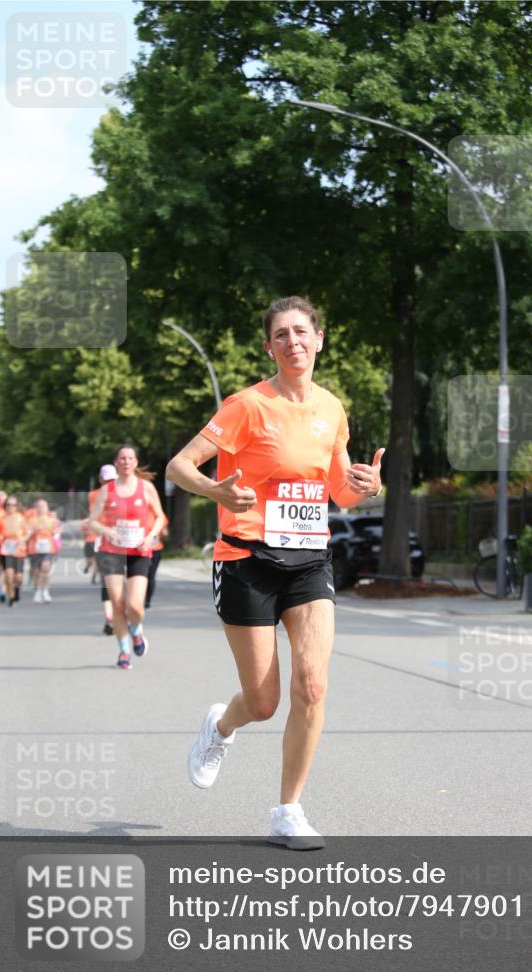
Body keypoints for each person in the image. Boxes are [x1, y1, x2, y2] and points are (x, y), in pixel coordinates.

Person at [166, 295, 384, 850]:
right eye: (281, 334)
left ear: (319, 340)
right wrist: (216, 489)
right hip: (246, 561)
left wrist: (366, 488)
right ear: (270, 346)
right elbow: (179, 466)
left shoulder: (332, 409)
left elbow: (337, 490)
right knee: (263, 702)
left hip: (309, 561)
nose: (293, 341)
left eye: (301, 332)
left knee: (312, 685)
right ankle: (221, 727)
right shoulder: (246, 406)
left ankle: (288, 810)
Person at [88, 445, 165, 669]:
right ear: (116, 462)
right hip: (111, 551)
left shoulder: (147, 488)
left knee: (135, 607)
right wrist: (106, 531)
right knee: (118, 604)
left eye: (130, 458)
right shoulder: (107, 490)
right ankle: (124, 651)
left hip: (139, 551)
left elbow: (160, 517)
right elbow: (92, 521)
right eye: (122, 458)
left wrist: (152, 535)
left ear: (136, 462)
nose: (126, 462)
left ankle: (136, 630)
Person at [83, 464, 118, 633]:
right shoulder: (121, 491)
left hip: (111, 540)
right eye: (109, 479)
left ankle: (111, 616)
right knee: (110, 581)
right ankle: (111, 617)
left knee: (109, 581)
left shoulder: (94, 494)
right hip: (108, 540)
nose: (109, 483)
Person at [27, 498, 62, 603]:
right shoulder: (31, 521)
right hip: (35, 549)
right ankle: (37, 592)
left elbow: (57, 534)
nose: (41, 508)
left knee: (45, 569)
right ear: (35, 508)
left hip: (48, 549)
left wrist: (56, 532)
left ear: (47, 508)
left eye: (44, 506)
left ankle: (45, 591)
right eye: (39, 506)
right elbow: (26, 535)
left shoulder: (53, 521)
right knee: (37, 572)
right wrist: (33, 532)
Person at [0, 496, 29, 607]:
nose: (10, 507)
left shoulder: (21, 518)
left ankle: (16, 590)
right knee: (9, 575)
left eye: (13, 505)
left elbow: (27, 532)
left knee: (18, 578)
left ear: (17, 507)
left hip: (18, 550)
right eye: (8, 505)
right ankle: (11, 597)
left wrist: (22, 540)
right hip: (6, 549)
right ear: (5, 506)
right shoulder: (1, 519)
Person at [144, 508, 169, 610]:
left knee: (149, 576)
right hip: (143, 549)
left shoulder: (160, 515)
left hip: (154, 549)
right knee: (149, 576)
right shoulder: (159, 514)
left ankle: (147, 601)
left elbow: (164, 532)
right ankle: (146, 601)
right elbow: (164, 533)